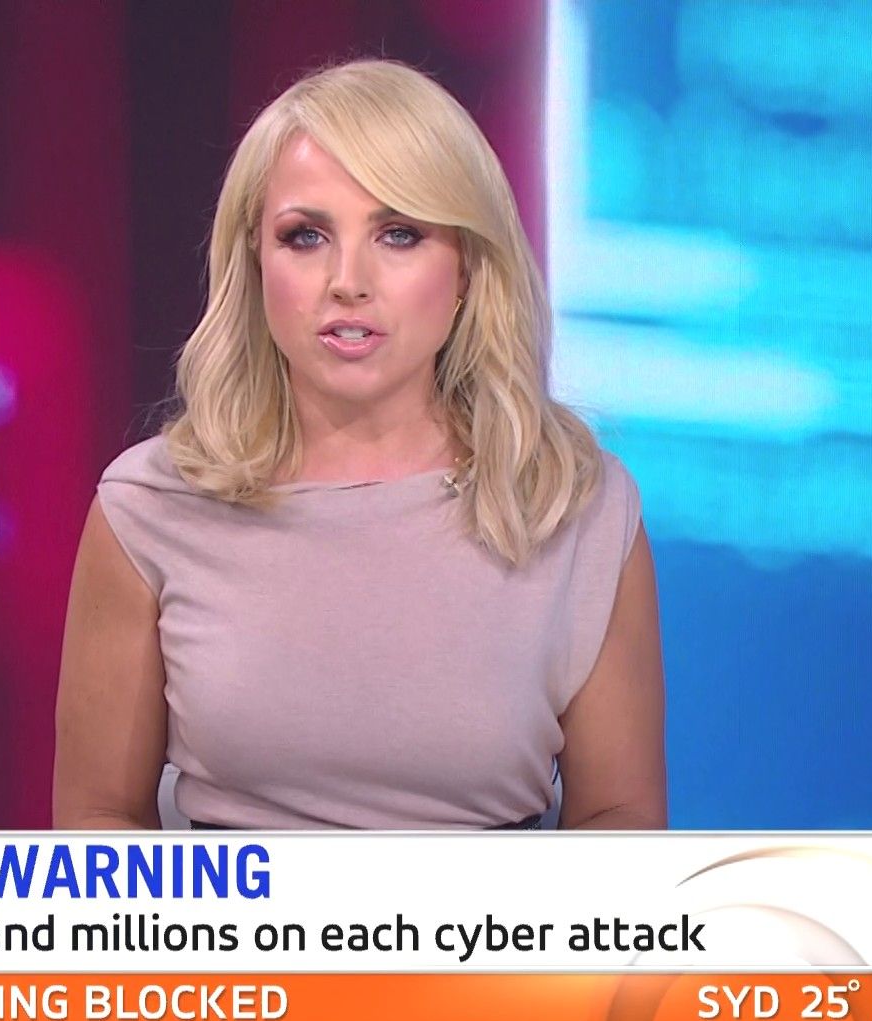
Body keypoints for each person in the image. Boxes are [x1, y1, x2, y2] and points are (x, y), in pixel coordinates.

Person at [53, 58, 665, 837]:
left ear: (468, 267)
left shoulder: (578, 507)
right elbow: (98, 819)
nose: (348, 280)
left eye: (399, 234)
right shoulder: (148, 510)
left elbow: (620, 819)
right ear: (254, 262)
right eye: (305, 236)